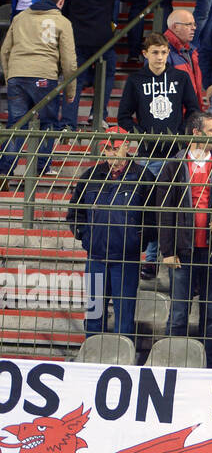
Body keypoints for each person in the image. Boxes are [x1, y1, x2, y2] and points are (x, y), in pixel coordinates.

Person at [157, 111, 212, 369]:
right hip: (183, 252)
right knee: (178, 313)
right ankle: (172, 366)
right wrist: (167, 250)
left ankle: (209, 369)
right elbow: (164, 210)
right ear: (196, 134)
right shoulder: (173, 165)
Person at [68, 127, 148, 345]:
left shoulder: (143, 176)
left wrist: (139, 239)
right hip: (96, 257)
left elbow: (152, 215)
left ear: (127, 147)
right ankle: (93, 360)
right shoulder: (91, 175)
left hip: (127, 258)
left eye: (115, 147)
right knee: (94, 316)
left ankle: (122, 362)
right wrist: (86, 236)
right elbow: (75, 211)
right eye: (107, 148)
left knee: (124, 318)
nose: (111, 152)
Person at [0, 0, 75, 183]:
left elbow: (5, 50)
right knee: (48, 123)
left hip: (17, 75)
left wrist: (10, 77)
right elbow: (69, 62)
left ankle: (3, 170)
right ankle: (41, 167)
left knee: (16, 125)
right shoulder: (63, 23)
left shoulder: (20, 17)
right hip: (45, 77)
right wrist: (70, 90)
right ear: (61, 2)